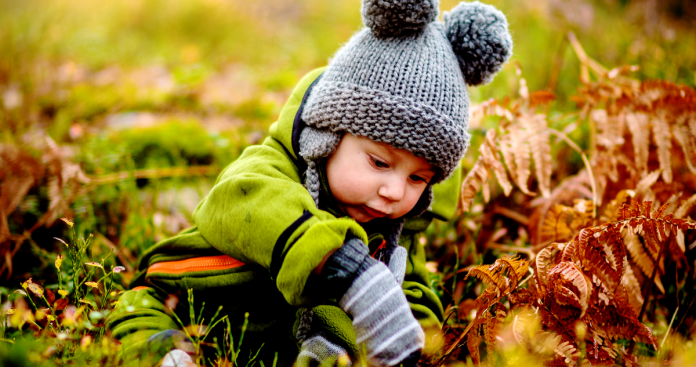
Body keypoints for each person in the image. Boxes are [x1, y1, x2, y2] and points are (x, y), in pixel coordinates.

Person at [106, 1, 512, 366]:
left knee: (345, 331)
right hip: (187, 298)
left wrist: (412, 342)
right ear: (327, 136)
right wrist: (346, 269)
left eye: (418, 178)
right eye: (378, 162)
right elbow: (241, 202)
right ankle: (166, 355)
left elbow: (413, 294)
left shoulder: (394, 230)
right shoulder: (269, 171)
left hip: (280, 340)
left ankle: (325, 352)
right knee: (141, 316)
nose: (394, 192)